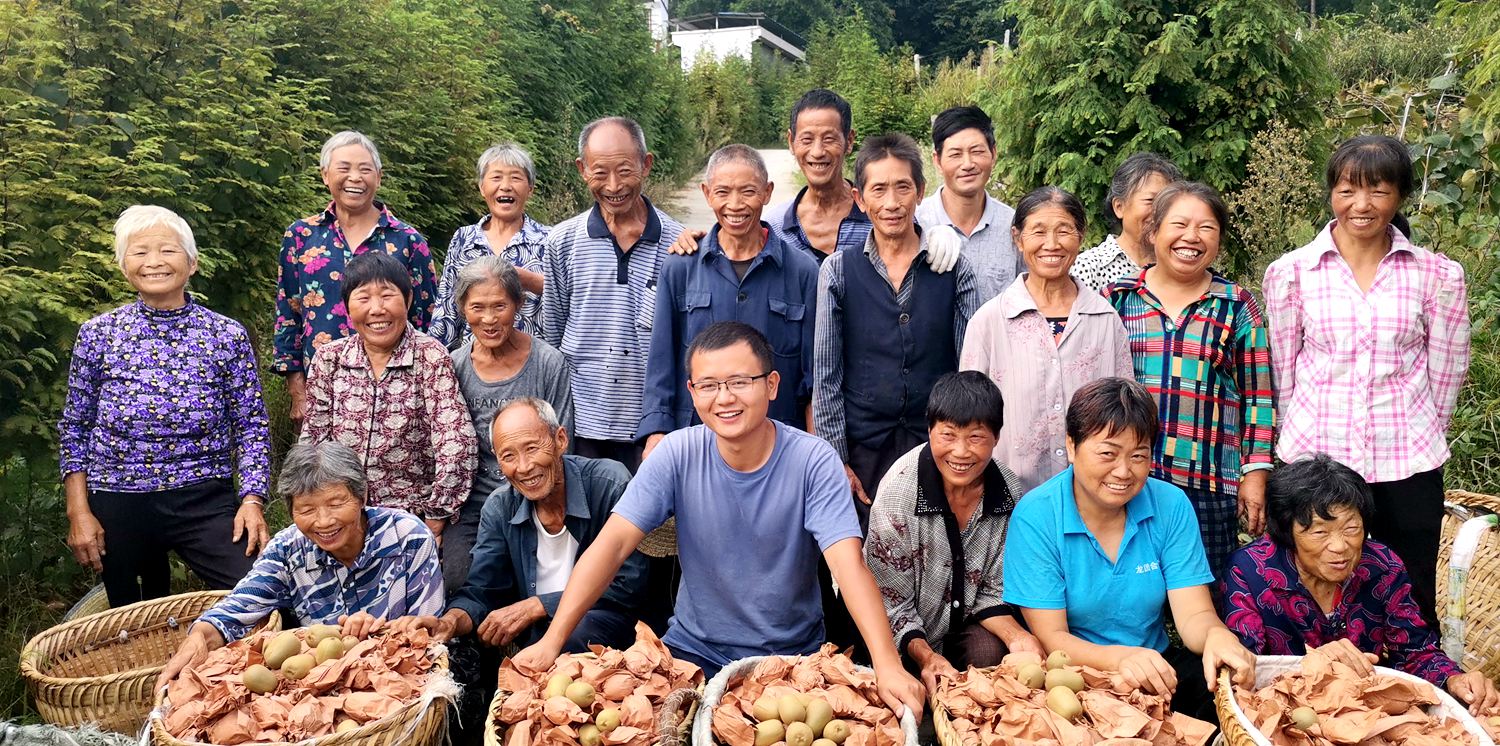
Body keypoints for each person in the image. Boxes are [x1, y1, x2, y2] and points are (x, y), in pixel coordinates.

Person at [512, 322, 926, 720]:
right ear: (692, 392)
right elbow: (612, 545)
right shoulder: (677, 454)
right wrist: (552, 641)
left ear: (771, 385)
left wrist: (887, 663)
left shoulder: (813, 461)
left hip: (790, 658)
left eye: (739, 381)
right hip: (691, 653)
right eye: (708, 385)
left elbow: (848, 566)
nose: (724, 398)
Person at [1263, 135, 1469, 629]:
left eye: (1377, 190)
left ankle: (1417, 685)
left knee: (1410, 589)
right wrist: (1298, 443)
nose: (1362, 205)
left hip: (1407, 460)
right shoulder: (1292, 272)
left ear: (1399, 196)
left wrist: (1415, 429)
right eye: (1348, 189)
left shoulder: (1436, 274)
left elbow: (1447, 371)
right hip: (1318, 456)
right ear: (1331, 192)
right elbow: (1284, 372)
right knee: (1308, 583)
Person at [1003, 377, 1255, 721]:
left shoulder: (1170, 505)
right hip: (1076, 677)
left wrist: (1216, 635)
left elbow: (1194, 614)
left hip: (1155, 669)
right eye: (1108, 453)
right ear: (1072, 446)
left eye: (1139, 455)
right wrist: (1120, 659)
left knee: (1222, 698)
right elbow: (1053, 637)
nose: (1123, 471)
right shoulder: (1037, 515)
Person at [59, 205, 270, 607]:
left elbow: (251, 425)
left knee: (259, 595)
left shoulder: (225, 335)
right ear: (124, 266)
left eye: (168, 251)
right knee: (134, 618)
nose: (154, 262)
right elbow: (76, 427)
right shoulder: (98, 335)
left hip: (203, 497)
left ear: (192, 263)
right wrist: (78, 511)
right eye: (139, 252)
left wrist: (252, 499)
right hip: (118, 499)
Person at [155, 441, 445, 689]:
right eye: (306, 509)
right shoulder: (287, 550)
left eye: (335, 503)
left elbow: (430, 636)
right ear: (291, 510)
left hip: (400, 682)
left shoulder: (408, 537)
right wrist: (199, 636)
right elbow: (236, 608)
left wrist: (382, 633)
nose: (323, 521)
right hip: (319, 689)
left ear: (362, 497)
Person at [1222, 454, 1499, 714]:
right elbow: (1244, 671)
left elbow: (1414, 651)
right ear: (1287, 532)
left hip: (1366, 711)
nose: (1340, 547)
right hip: (1285, 714)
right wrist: (1311, 664)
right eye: (1319, 532)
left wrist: (1454, 679)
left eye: (1351, 529)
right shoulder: (1249, 572)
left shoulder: (1382, 566)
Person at [1105, 181, 1275, 580]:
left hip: (1208, 481)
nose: (1191, 238)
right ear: (1154, 232)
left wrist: (1255, 473)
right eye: (1178, 224)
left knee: (1207, 592)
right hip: (1129, 478)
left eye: (1206, 228)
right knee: (1132, 591)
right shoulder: (1118, 298)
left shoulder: (1235, 304)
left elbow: (1259, 398)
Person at [814, 133, 982, 524]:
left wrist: (962, 449)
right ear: (860, 198)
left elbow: (970, 372)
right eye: (879, 189)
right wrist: (837, 460)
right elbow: (826, 378)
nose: (891, 203)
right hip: (863, 453)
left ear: (920, 192)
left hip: (937, 449)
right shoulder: (838, 271)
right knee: (868, 566)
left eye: (902, 187)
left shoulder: (954, 269)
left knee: (937, 563)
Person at [395, 397, 646, 652]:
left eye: (532, 448)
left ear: (560, 439)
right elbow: (483, 589)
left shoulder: (609, 484)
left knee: (576, 633)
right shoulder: (500, 507)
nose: (524, 467)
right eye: (508, 456)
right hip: (535, 635)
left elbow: (628, 584)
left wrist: (538, 606)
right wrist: (450, 622)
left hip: (605, 624)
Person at [865, 371, 1041, 696]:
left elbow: (994, 590)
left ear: (996, 437)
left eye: (976, 437)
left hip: (963, 627)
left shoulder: (1007, 493)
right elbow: (890, 606)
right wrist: (927, 657)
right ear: (929, 430)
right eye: (948, 435)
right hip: (903, 637)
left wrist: (1020, 637)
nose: (960, 452)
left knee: (993, 653)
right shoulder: (897, 497)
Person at [639, 145, 818, 460]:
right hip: (698, 438)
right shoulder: (681, 266)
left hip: (777, 442)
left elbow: (813, 374)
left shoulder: (802, 271)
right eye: (722, 192)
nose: (735, 205)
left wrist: (818, 447)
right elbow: (661, 361)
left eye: (748, 191)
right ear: (707, 194)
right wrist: (657, 432)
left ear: (767, 192)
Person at [667, 89, 960, 273]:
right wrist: (693, 240)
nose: (817, 152)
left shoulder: (879, 211)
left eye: (829, 138)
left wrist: (941, 234)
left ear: (849, 141)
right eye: (807, 139)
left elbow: (919, 238)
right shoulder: (776, 227)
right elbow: (733, 240)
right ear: (792, 143)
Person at [960, 186, 1133, 492]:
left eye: (1064, 230)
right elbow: (969, 416)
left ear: (1080, 236)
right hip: (1007, 495)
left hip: (1091, 495)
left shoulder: (1105, 321)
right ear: (1018, 238)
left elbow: (1126, 414)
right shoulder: (989, 322)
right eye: (1038, 231)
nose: (1051, 244)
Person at [301, 252, 477, 546]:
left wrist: (435, 516)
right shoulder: (329, 359)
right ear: (347, 307)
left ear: (407, 301)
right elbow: (313, 441)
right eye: (363, 298)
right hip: (341, 514)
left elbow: (455, 440)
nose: (377, 309)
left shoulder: (430, 356)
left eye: (387, 295)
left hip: (414, 514)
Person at [540, 117, 685, 473]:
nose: (614, 185)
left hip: (650, 426)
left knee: (646, 526)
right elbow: (553, 339)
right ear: (582, 170)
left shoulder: (679, 245)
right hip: (582, 421)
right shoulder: (563, 242)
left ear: (646, 164)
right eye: (600, 173)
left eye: (624, 170)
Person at [273, 131, 437, 423]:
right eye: (344, 168)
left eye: (365, 169)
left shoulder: (408, 240)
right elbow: (288, 314)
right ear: (325, 175)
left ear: (379, 177)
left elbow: (426, 319)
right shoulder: (301, 236)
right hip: (322, 390)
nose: (355, 178)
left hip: (395, 393)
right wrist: (298, 393)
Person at [444, 255, 574, 592]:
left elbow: (563, 439)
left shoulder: (548, 362)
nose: (488, 319)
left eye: (499, 306)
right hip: (475, 504)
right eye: (477, 307)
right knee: (461, 580)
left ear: (518, 304)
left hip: (538, 494)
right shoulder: (453, 366)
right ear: (462, 309)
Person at [431, 143, 551, 348]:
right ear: (482, 187)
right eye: (496, 177)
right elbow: (448, 308)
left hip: (534, 363)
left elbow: (571, 301)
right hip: (476, 365)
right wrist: (436, 360)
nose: (506, 186)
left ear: (530, 188)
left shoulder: (550, 240)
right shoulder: (464, 239)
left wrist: (531, 281)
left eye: (515, 177)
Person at [915, 105, 1021, 303]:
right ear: (937, 161)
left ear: (993, 153)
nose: (967, 164)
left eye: (977, 151)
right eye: (955, 154)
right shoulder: (916, 221)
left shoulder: (1014, 226)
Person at [1072, 152, 1183, 292]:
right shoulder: (1088, 268)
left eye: (1167, 203)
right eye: (1150, 201)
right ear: (1119, 207)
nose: (1160, 211)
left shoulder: (1180, 265)